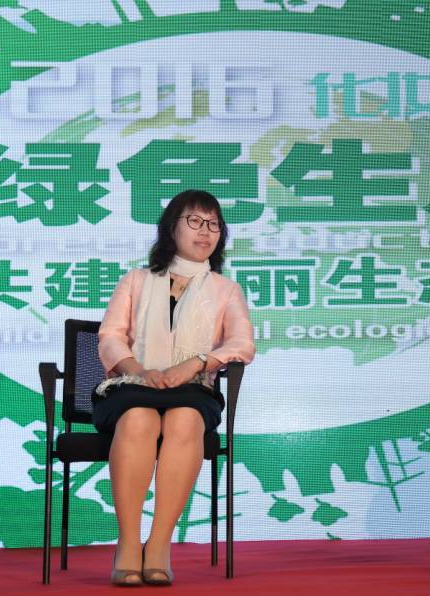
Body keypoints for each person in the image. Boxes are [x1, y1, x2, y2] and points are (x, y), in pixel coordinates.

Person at [94, 189, 255, 586]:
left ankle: (159, 545)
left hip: (192, 390)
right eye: (195, 221)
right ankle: (128, 542)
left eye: (214, 224)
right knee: (139, 418)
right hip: (132, 387)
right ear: (171, 228)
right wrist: (137, 369)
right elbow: (110, 336)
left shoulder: (226, 290)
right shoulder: (135, 280)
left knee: (185, 419)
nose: (206, 231)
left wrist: (197, 363)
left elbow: (242, 344)